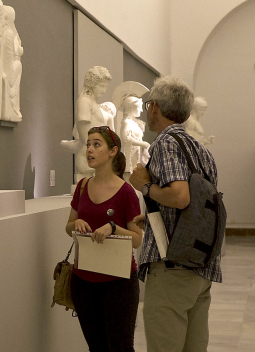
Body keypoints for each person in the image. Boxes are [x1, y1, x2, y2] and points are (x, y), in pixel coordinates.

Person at [129, 76, 220, 352]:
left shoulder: (166, 142)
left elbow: (180, 197)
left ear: (155, 107)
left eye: (148, 105)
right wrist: (155, 214)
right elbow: (195, 205)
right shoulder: (200, 149)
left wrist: (144, 186)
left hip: (172, 269)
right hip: (201, 267)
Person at [65, 126, 144, 352]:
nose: (89, 149)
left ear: (112, 151)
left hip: (119, 282)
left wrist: (113, 227)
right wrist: (76, 224)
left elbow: (137, 239)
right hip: (83, 280)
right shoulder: (82, 187)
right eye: (88, 144)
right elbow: (68, 227)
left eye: (96, 144)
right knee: (96, 347)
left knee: (120, 347)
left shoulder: (126, 192)